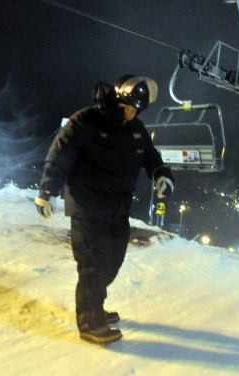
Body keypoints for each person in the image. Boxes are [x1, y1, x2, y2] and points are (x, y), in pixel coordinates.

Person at [34, 75, 174, 344]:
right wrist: (47, 191)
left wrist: (161, 175)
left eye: (137, 110)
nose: (132, 113)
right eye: (128, 107)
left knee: (112, 262)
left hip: (118, 209)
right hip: (87, 207)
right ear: (118, 98)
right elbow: (60, 153)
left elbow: (151, 156)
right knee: (93, 266)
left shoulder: (136, 129)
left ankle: (95, 305)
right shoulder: (86, 121)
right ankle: (90, 322)